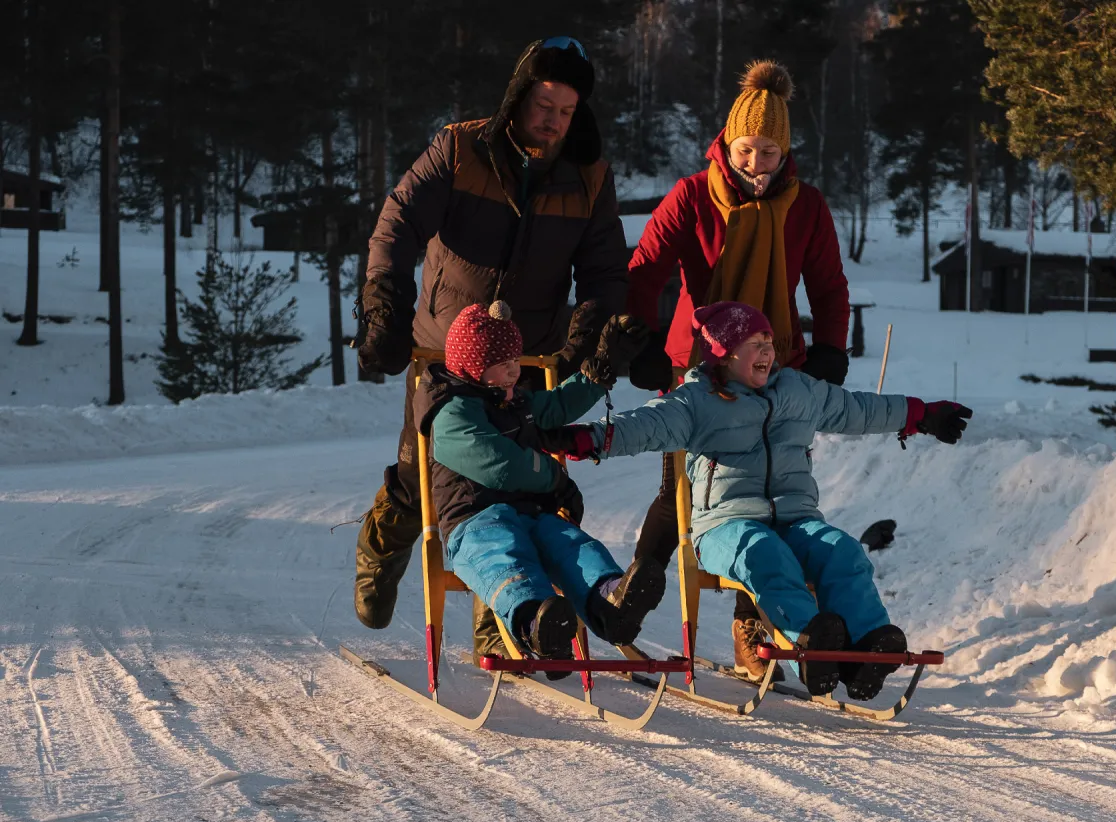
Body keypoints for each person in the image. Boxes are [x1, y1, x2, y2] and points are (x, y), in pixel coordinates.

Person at [351, 37, 630, 658]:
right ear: (518, 97)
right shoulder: (459, 149)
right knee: (419, 477)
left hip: (530, 353)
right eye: (542, 103)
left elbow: (607, 268)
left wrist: (591, 333)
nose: (552, 119)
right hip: (444, 354)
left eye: (565, 109)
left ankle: (502, 620)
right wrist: (383, 304)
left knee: (514, 493)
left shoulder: (588, 174)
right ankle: (380, 549)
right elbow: (397, 224)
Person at [542, 302, 972, 700]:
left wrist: (921, 414)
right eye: (755, 345)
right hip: (725, 525)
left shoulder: (798, 391)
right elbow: (644, 426)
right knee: (767, 554)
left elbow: (858, 409)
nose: (767, 351)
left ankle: (867, 646)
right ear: (725, 355)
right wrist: (588, 439)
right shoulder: (697, 400)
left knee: (841, 549)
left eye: (769, 342)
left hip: (796, 516)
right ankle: (808, 638)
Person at [621, 59, 879, 681]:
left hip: (773, 367)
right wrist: (642, 340)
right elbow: (646, 269)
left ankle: (752, 623)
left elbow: (829, 285)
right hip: (697, 367)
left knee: (766, 495)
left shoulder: (806, 207)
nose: (755, 164)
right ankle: (631, 594)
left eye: (768, 151)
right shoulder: (690, 196)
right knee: (680, 488)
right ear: (725, 144)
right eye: (744, 149)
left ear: (784, 150)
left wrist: (831, 350)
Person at [414, 301, 661, 672]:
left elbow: (557, 406)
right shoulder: (450, 413)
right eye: (503, 364)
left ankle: (611, 603)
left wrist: (600, 370)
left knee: (572, 546)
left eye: (515, 358)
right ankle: (537, 624)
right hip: (475, 521)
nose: (515, 369)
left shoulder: (511, 399)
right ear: (473, 368)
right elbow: (499, 465)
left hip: (531, 512)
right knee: (503, 556)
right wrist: (555, 478)